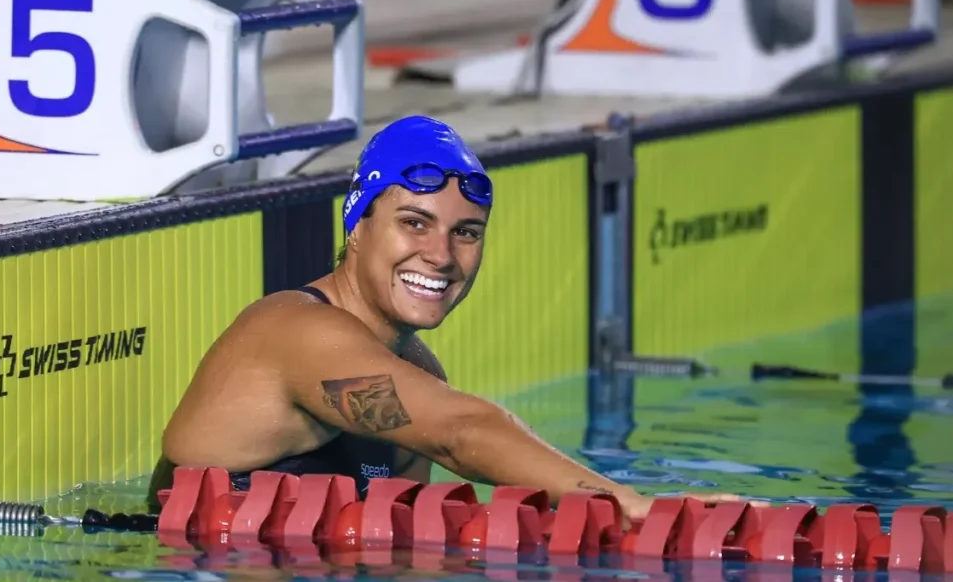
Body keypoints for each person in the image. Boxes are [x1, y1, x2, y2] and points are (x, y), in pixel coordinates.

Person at [149, 115, 752, 524]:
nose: (440, 256)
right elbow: (460, 434)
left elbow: (402, 537)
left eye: (465, 233)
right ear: (357, 227)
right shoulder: (298, 333)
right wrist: (630, 504)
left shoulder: (417, 371)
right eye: (414, 223)